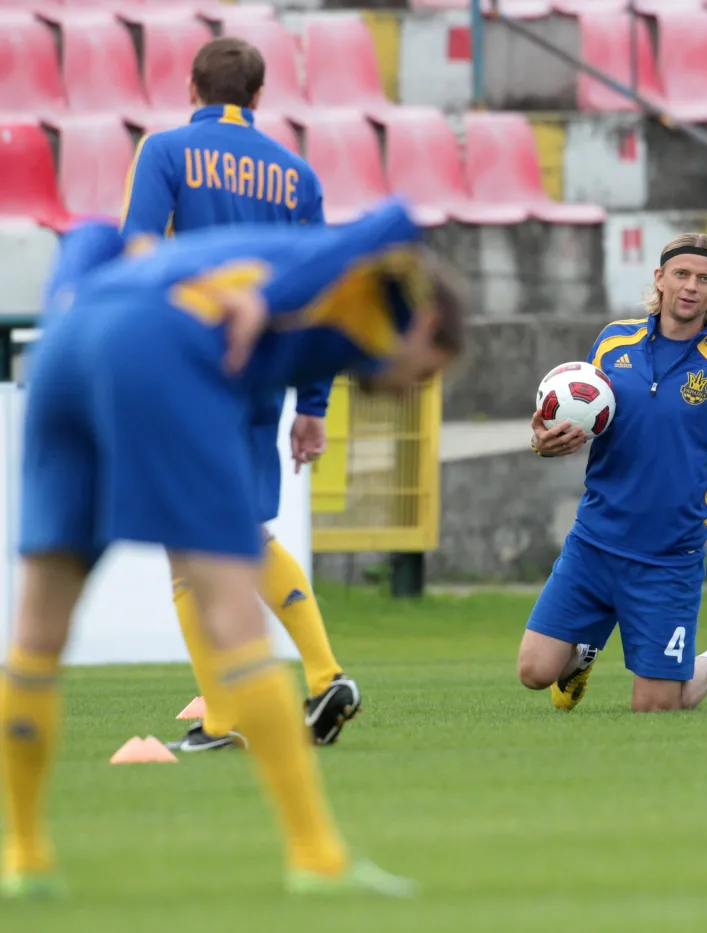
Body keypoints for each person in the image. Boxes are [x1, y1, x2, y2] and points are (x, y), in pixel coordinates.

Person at [1, 199, 464, 898]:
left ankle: (25, 859)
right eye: (427, 372)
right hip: (164, 347)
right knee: (234, 616)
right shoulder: (382, 289)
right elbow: (398, 217)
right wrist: (264, 299)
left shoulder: (248, 270)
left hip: (69, 338)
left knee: (37, 629)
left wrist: (69, 299)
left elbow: (92, 229)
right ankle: (317, 857)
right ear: (429, 325)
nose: (410, 390)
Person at [119, 36, 359, 751]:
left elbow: (138, 254)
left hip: (189, 368)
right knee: (238, 532)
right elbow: (323, 295)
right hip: (263, 375)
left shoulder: (163, 153)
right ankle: (322, 673)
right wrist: (313, 404)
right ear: (258, 98)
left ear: (193, 86)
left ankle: (226, 718)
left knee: (188, 542)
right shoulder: (297, 174)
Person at [519, 234, 707, 713]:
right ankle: (582, 652)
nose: (690, 287)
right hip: (594, 543)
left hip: (668, 557)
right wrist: (542, 442)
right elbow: (576, 417)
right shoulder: (612, 341)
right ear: (659, 279)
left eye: (703, 279)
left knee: (657, 709)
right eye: (680, 274)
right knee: (534, 674)